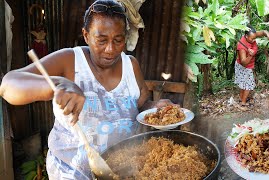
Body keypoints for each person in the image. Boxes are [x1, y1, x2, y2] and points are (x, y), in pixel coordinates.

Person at [0, 0, 172, 179]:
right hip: (71, 171)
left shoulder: (131, 65)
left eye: (118, 40)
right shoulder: (69, 60)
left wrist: (155, 108)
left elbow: (139, 105)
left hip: (122, 169)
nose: (110, 49)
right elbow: (8, 85)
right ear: (86, 35)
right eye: (101, 40)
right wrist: (57, 84)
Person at [234, 25, 269, 110]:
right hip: (243, 66)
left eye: (254, 38)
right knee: (248, 85)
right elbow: (244, 62)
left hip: (248, 65)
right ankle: (243, 103)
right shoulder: (241, 46)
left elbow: (264, 31)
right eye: (251, 39)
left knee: (244, 84)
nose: (253, 40)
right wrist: (250, 55)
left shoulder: (253, 34)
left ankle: (241, 99)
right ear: (246, 36)